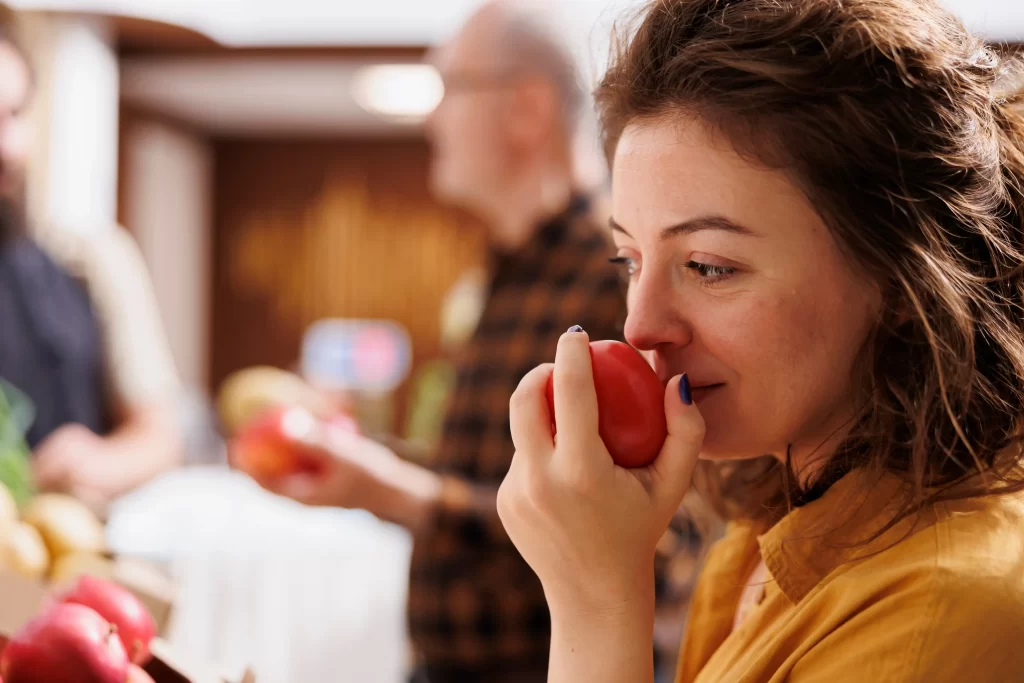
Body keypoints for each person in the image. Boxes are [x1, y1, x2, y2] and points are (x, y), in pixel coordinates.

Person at [496, 0, 1024, 682]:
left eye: (709, 266)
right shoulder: (766, 531)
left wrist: (594, 605)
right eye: (629, 261)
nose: (639, 326)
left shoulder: (940, 613)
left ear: (899, 281)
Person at [255, 3, 629, 681]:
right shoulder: (511, 267)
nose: (432, 118)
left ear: (526, 108)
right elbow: (488, 479)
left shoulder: (618, 273)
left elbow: (610, 526)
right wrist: (359, 458)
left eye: (450, 89)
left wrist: (392, 490)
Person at [0, 9, 183, 510]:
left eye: (16, 115)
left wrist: (99, 461)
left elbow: (159, 436)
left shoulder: (90, 260)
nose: (9, 147)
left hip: (56, 555)